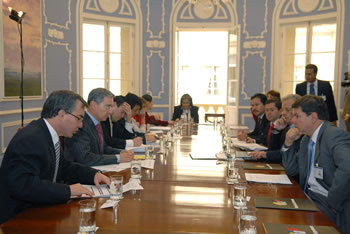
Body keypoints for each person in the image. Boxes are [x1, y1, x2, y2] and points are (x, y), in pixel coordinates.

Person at [0, 90, 110, 224]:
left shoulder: (47, 133)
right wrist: (67, 190)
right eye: (79, 118)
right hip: (20, 217)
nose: (81, 125)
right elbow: (22, 184)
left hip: (40, 209)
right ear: (62, 114)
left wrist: (93, 175)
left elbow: (63, 167)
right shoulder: (31, 138)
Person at [282, 95, 350, 233]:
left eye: (297, 116)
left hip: (327, 204)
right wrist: (288, 144)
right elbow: (291, 170)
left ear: (313, 117)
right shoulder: (306, 140)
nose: (293, 120)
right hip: (307, 197)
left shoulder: (333, 134)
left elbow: (347, 166)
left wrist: (333, 202)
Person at [64, 88, 134, 166]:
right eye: (107, 106)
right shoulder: (80, 124)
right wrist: (117, 158)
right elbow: (85, 157)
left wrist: (121, 152)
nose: (110, 111)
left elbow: (103, 148)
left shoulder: (97, 122)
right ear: (94, 104)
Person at [249, 94, 301, 162]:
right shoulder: (286, 127)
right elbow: (273, 149)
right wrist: (277, 130)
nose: (283, 113)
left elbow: (287, 156)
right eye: (283, 110)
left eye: (287, 110)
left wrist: (265, 154)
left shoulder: (302, 130)